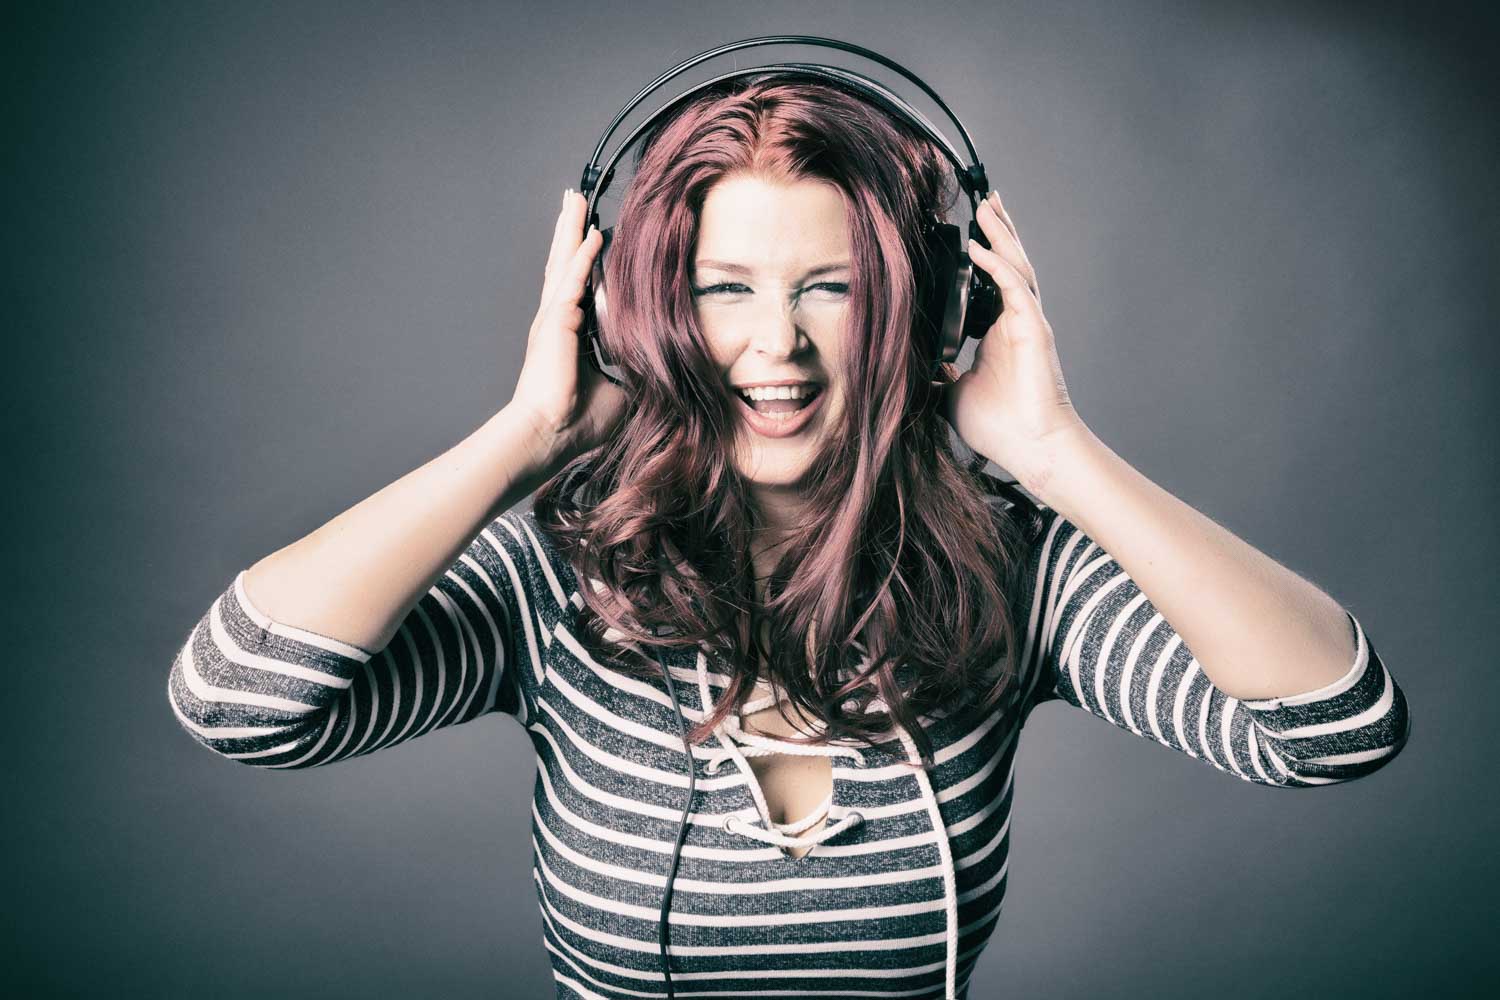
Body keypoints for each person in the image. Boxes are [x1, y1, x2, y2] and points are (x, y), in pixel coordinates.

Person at [166, 76, 1410, 1000]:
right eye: (724, 288)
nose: (778, 346)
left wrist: (1056, 454)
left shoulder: (1012, 571)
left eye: (835, 288)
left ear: (929, 312)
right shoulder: (558, 569)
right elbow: (238, 704)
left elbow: (1338, 730)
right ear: (640, 313)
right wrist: (527, 431)